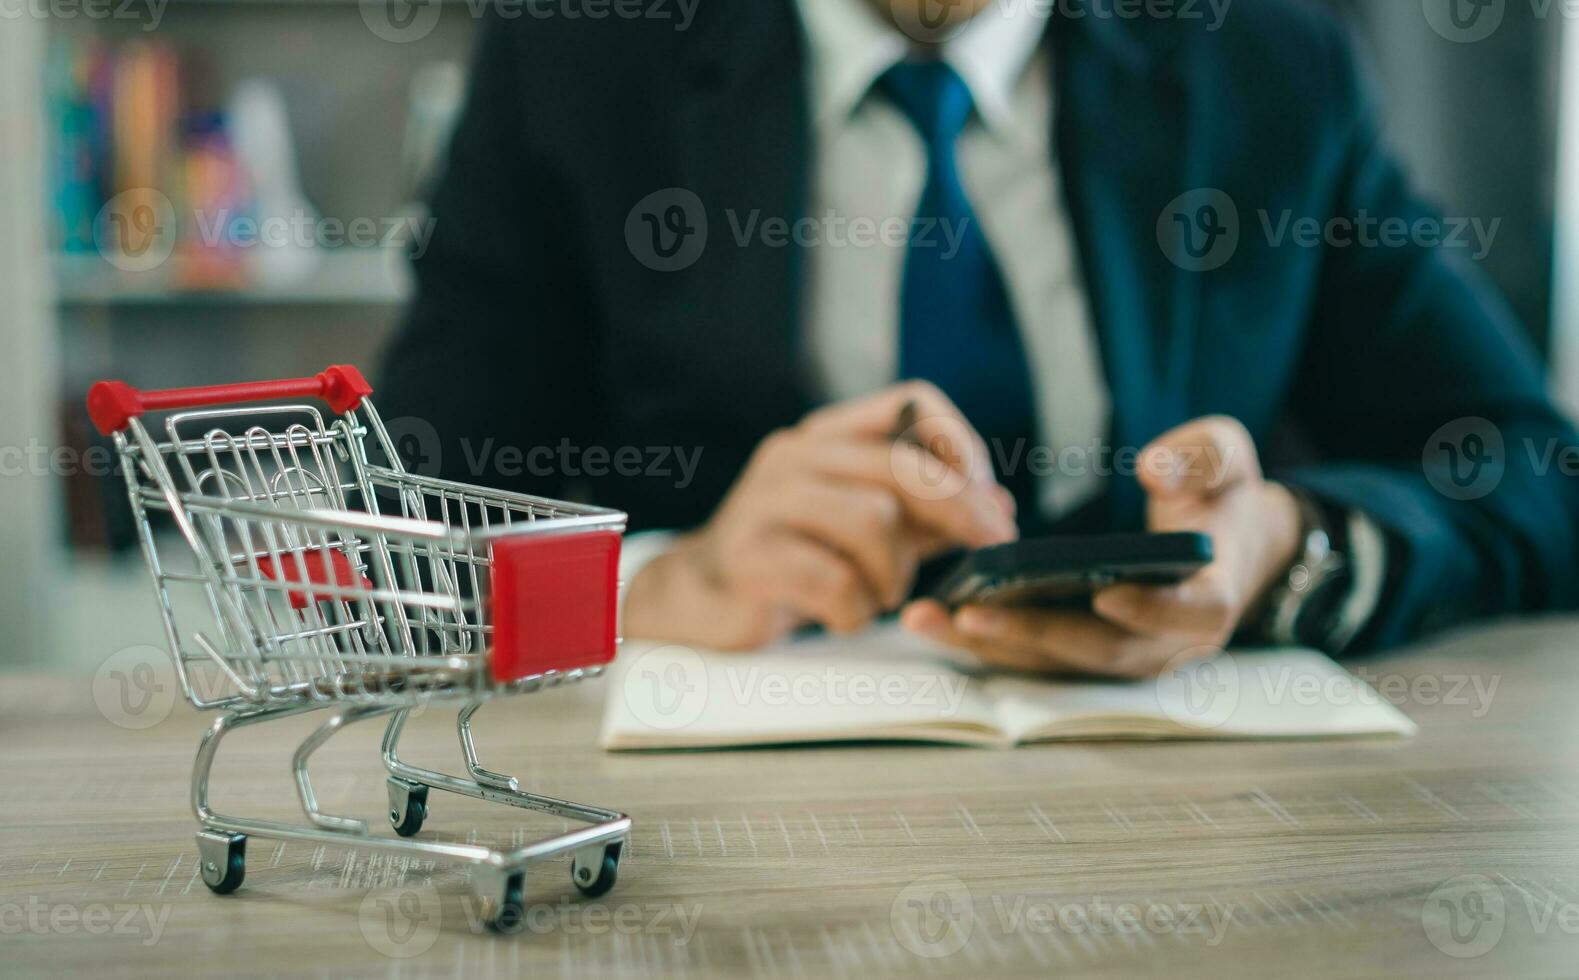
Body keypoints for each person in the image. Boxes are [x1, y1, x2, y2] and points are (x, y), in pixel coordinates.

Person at [380, 0, 1579, 676]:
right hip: (711, 834)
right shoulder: (577, 51)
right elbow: (393, 539)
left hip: (1190, 828)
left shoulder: (1267, 59)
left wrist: (1284, 544)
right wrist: (657, 581)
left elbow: (1531, 474)